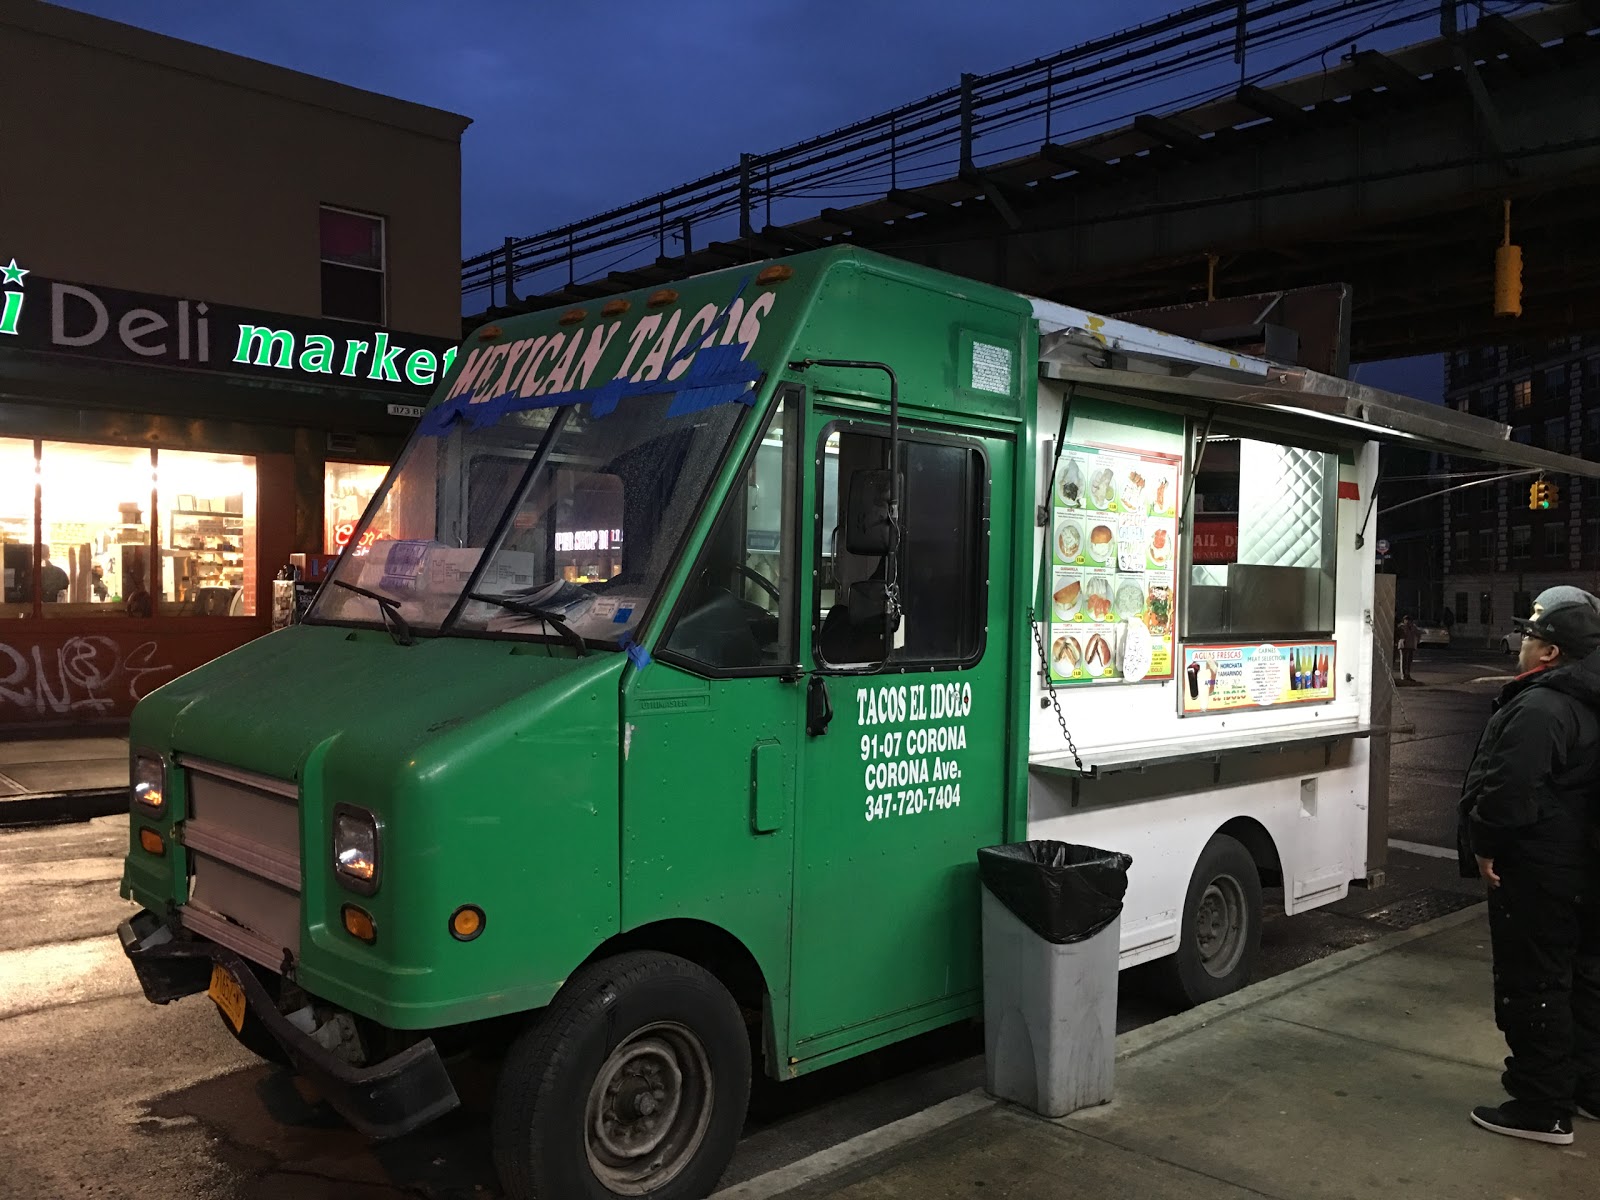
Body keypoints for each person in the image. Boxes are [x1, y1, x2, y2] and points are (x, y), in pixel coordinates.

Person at [1456, 585, 1600, 1145]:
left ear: (1551, 652)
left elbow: (1507, 792)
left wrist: (1486, 843)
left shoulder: (1543, 706)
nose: (1522, 640)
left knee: (1533, 981)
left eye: (1532, 633)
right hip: (1582, 871)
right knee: (1584, 981)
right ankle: (1588, 1090)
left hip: (1541, 870)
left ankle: (1541, 1107)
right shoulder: (1586, 697)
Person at [1398, 614, 1420, 682]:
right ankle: (1403, 675)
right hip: (1403, 646)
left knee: (1409, 661)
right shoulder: (1401, 627)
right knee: (1404, 661)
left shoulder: (1413, 627)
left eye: (1409, 621)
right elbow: (1400, 634)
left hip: (1410, 646)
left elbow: (1418, 633)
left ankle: (1408, 674)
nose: (1407, 622)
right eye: (1406, 620)